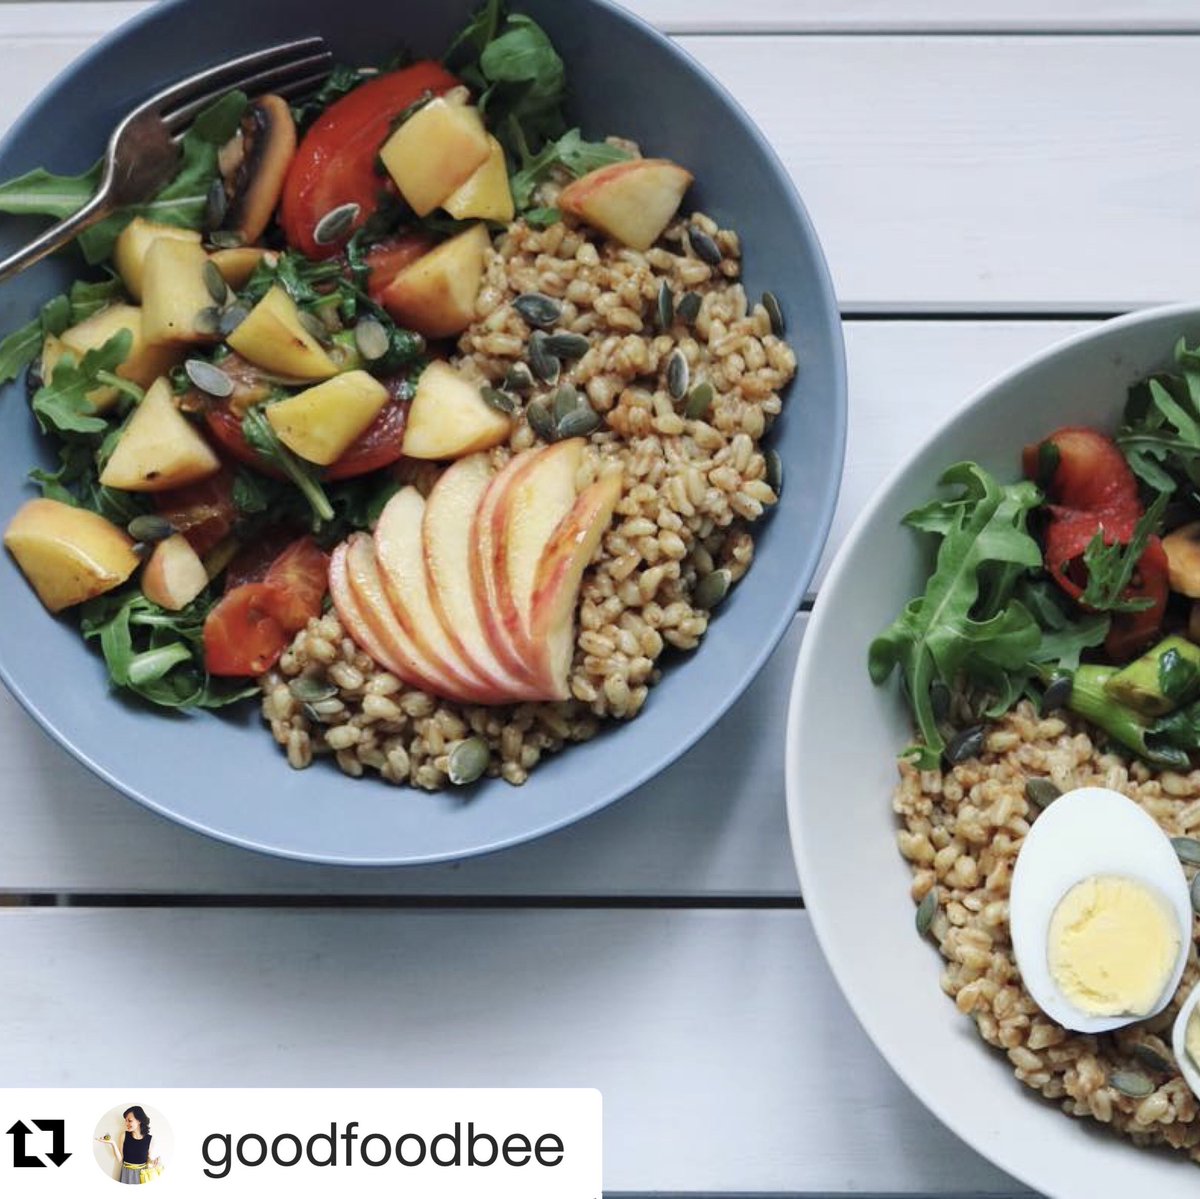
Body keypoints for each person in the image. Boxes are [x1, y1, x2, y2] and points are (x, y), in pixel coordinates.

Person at [95, 1106, 157, 1184]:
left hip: (143, 1174)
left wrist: (153, 1161)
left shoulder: (150, 1139)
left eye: (130, 1120)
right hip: (126, 1174)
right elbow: (120, 1160)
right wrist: (112, 1143)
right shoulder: (124, 1135)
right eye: (126, 1120)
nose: (126, 1123)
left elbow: (148, 1159)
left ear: (139, 1121)